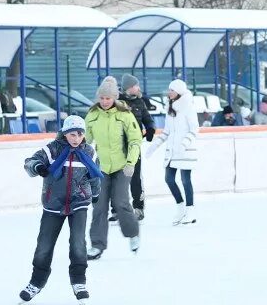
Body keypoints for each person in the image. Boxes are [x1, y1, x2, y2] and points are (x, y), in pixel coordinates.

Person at [18, 115, 99, 305]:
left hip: (79, 202)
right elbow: (30, 161)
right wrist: (38, 167)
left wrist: (95, 194)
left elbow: (95, 174)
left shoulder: (89, 151)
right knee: (44, 245)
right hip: (53, 203)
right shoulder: (52, 149)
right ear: (64, 133)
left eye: (80, 134)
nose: (76, 138)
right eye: (72, 134)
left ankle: (79, 281)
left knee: (78, 243)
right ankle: (36, 282)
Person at [84, 76, 142, 259]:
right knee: (99, 206)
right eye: (101, 98)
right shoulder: (92, 115)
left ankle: (133, 234)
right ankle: (97, 245)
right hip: (102, 167)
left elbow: (135, 140)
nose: (104, 101)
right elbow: (85, 141)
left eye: (108, 98)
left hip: (122, 166)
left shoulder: (124, 114)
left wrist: (131, 163)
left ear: (115, 97)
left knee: (121, 202)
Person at [149, 78, 200, 225]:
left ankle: (190, 211)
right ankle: (180, 207)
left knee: (185, 180)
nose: (169, 92)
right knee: (169, 179)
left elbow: (194, 128)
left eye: (172, 90)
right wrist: (154, 146)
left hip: (185, 150)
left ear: (178, 92)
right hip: (172, 151)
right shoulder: (170, 109)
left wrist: (184, 143)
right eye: (169, 89)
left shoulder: (188, 107)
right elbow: (166, 132)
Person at [121, 74, 155, 219]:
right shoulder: (118, 103)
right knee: (118, 178)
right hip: (118, 145)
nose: (139, 88)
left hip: (134, 146)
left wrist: (151, 128)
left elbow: (148, 118)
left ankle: (138, 208)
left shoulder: (140, 102)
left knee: (135, 178)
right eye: (136, 85)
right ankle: (117, 209)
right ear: (129, 87)